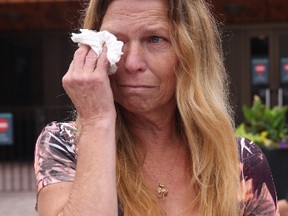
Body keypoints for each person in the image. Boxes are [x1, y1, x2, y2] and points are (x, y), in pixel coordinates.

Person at [34, 0, 279, 215]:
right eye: (117, 41)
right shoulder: (65, 145)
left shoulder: (241, 161)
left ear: (191, 53)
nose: (132, 63)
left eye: (154, 39)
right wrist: (97, 122)